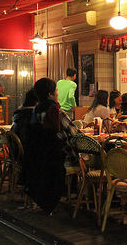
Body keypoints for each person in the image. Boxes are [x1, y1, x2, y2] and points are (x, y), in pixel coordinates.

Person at [21, 77, 78, 214]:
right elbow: (74, 133)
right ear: (50, 94)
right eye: (56, 91)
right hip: (58, 158)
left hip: (38, 159)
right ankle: (80, 193)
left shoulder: (35, 111)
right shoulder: (55, 112)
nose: (58, 93)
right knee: (87, 159)